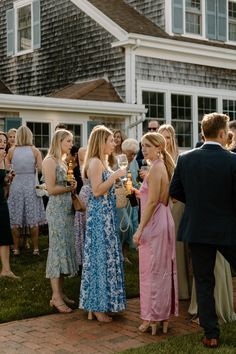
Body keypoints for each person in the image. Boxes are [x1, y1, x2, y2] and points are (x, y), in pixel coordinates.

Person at [169, 112, 236, 348]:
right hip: (228, 229)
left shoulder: (185, 159)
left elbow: (175, 191)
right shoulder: (232, 160)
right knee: (206, 281)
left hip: (197, 229)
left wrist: (196, 202)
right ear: (221, 133)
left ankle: (211, 334)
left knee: (204, 282)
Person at [79, 125, 126, 322]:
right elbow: (97, 191)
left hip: (105, 215)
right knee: (99, 259)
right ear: (101, 142)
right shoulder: (96, 162)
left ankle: (101, 304)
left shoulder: (101, 162)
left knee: (105, 258)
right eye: (111, 140)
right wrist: (115, 176)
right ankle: (97, 308)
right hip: (99, 217)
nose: (114, 143)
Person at [133, 132, 178, 335]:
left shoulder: (157, 168)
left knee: (151, 272)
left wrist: (140, 229)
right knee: (161, 270)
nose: (144, 150)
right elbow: (157, 196)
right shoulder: (161, 166)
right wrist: (138, 191)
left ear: (159, 148)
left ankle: (152, 316)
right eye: (143, 146)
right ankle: (162, 316)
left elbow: (152, 202)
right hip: (164, 219)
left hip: (155, 222)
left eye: (148, 146)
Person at [42, 129, 78, 313]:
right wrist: (67, 187)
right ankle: (55, 297)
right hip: (56, 211)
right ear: (59, 141)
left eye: (71, 141)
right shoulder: (49, 161)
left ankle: (60, 292)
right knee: (57, 250)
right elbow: (50, 189)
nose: (71, 144)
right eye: (68, 141)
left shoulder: (63, 161)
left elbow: (64, 185)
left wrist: (72, 186)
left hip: (66, 211)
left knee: (64, 248)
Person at [158, 124, 190, 300]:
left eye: (168, 137)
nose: (165, 141)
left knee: (177, 247)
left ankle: (182, 290)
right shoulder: (156, 159)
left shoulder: (180, 158)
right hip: (160, 205)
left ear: (173, 139)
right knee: (164, 248)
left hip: (176, 204)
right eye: (162, 137)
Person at [7, 126, 46, 256]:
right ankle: (35, 248)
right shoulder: (35, 151)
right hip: (31, 185)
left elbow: (8, 170)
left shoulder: (11, 151)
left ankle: (16, 248)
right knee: (33, 215)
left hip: (16, 185)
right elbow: (41, 169)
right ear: (30, 136)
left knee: (15, 217)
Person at [0, 131, 19, 279]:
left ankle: (6, 270)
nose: (2, 143)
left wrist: (8, 178)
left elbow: (3, 182)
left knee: (5, 235)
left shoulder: (3, 158)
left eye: (4, 142)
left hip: (1, 201)